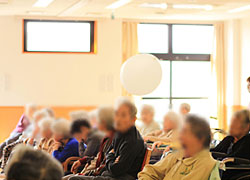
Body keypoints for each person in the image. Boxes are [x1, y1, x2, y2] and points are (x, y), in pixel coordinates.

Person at [69, 98, 146, 180]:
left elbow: (115, 169)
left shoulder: (133, 140)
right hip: (106, 174)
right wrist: (112, 158)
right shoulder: (119, 134)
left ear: (133, 119)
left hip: (118, 178)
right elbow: (106, 157)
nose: (118, 119)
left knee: (73, 179)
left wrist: (111, 155)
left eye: (123, 115)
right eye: (117, 114)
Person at [138, 114, 216, 180]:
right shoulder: (178, 154)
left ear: (200, 139)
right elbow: (150, 171)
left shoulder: (205, 164)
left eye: (186, 133)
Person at [63, 106, 116, 180]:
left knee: (70, 178)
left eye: (96, 121)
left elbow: (105, 163)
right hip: (95, 168)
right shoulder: (106, 137)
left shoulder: (96, 137)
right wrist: (82, 161)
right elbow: (98, 157)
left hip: (102, 173)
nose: (95, 124)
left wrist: (80, 142)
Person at [211, 109, 250, 179]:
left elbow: (235, 157)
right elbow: (216, 150)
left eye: (235, 123)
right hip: (222, 169)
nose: (231, 125)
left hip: (235, 172)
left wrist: (216, 159)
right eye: (231, 122)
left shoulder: (247, 140)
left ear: (246, 127)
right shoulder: (229, 139)